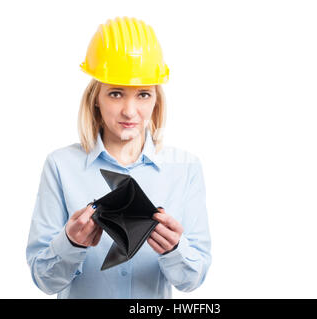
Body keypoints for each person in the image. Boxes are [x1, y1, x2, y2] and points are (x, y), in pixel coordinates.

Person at [26, 16, 211, 298]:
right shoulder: (60, 166)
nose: (129, 111)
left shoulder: (185, 168)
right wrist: (70, 243)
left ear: (157, 100)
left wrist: (175, 250)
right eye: (115, 93)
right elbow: (44, 280)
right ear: (95, 99)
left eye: (143, 95)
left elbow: (192, 281)